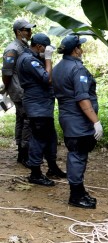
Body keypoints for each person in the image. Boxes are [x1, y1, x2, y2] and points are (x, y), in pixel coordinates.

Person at [52, 35, 103, 209]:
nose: (82, 50)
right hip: (78, 121)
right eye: (80, 47)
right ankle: (75, 195)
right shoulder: (77, 69)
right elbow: (82, 97)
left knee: (76, 153)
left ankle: (79, 191)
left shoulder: (58, 67)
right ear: (75, 50)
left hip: (67, 118)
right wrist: (96, 122)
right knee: (78, 155)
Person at [17, 33, 66, 186]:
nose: (46, 52)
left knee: (51, 137)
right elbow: (47, 78)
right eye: (45, 49)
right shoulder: (28, 60)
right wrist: (49, 58)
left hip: (43, 105)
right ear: (39, 47)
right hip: (37, 106)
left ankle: (52, 167)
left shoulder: (33, 57)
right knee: (38, 139)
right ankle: (35, 173)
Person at [1, 19, 36, 167]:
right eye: (26, 30)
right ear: (18, 32)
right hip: (19, 90)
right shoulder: (12, 49)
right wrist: (7, 90)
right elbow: (6, 72)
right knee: (27, 119)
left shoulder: (24, 46)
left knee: (22, 119)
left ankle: (21, 152)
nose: (29, 32)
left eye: (29, 30)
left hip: (24, 88)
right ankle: (24, 153)